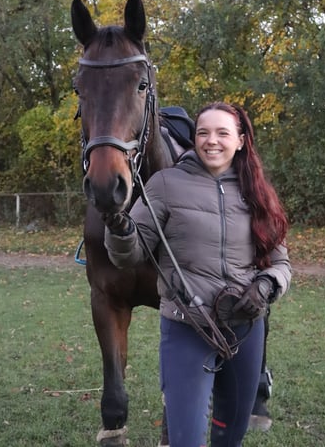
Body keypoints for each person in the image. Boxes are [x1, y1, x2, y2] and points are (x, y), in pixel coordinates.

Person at [101, 102, 292, 447]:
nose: (211, 141)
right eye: (203, 132)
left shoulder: (258, 191)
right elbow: (129, 254)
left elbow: (281, 263)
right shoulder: (165, 184)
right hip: (187, 328)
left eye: (222, 133)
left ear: (241, 140)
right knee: (185, 439)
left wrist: (265, 285)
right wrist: (119, 228)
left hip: (245, 329)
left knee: (229, 437)